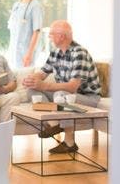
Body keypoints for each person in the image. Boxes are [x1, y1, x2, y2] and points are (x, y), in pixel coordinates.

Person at [23, 20, 101, 153]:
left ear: (61, 36)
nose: (49, 37)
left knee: (62, 95)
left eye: (51, 34)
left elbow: (72, 87)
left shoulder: (79, 53)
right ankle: (54, 123)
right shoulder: (56, 52)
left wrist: (45, 85)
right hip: (65, 95)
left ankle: (69, 142)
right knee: (33, 90)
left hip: (87, 97)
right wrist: (31, 79)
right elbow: (42, 73)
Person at [8, 0, 43, 68]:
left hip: (26, 52)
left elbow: (37, 31)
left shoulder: (35, 6)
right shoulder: (16, 5)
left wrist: (29, 53)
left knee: (25, 79)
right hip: (14, 50)